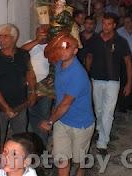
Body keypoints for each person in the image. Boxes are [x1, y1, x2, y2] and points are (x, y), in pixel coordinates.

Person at [40, 33, 95, 176]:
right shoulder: (59, 64)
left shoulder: (78, 74)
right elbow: (48, 53)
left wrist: (50, 121)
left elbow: (65, 104)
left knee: (79, 162)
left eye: (67, 47)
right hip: (62, 121)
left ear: (75, 51)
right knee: (62, 160)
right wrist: (54, 41)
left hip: (80, 124)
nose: (63, 50)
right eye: (61, 47)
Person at [0, 24, 37, 151]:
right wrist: (6, 108)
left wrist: (32, 92)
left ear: (14, 38)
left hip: (20, 105)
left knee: (20, 140)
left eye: (5, 37)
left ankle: (18, 166)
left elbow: (29, 73)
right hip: (0, 108)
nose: (1, 40)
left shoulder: (23, 55)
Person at [86, 13, 132, 154]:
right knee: (98, 109)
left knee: (108, 112)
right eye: (104, 23)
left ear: (114, 25)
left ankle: (102, 142)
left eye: (108, 24)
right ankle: (101, 129)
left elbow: (128, 62)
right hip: (96, 79)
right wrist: (88, 76)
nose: (105, 26)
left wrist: (129, 83)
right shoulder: (94, 40)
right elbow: (89, 57)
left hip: (113, 81)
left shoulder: (121, 41)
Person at [21, 26, 52, 147]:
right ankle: (32, 145)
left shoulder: (51, 45)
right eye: (40, 32)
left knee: (44, 116)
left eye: (45, 32)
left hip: (46, 86)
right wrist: (37, 41)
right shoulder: (30, 43)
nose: (42, 34)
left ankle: (42, 145)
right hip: (30, 86)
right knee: (29, 115)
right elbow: (21, 52)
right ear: (36, 33)